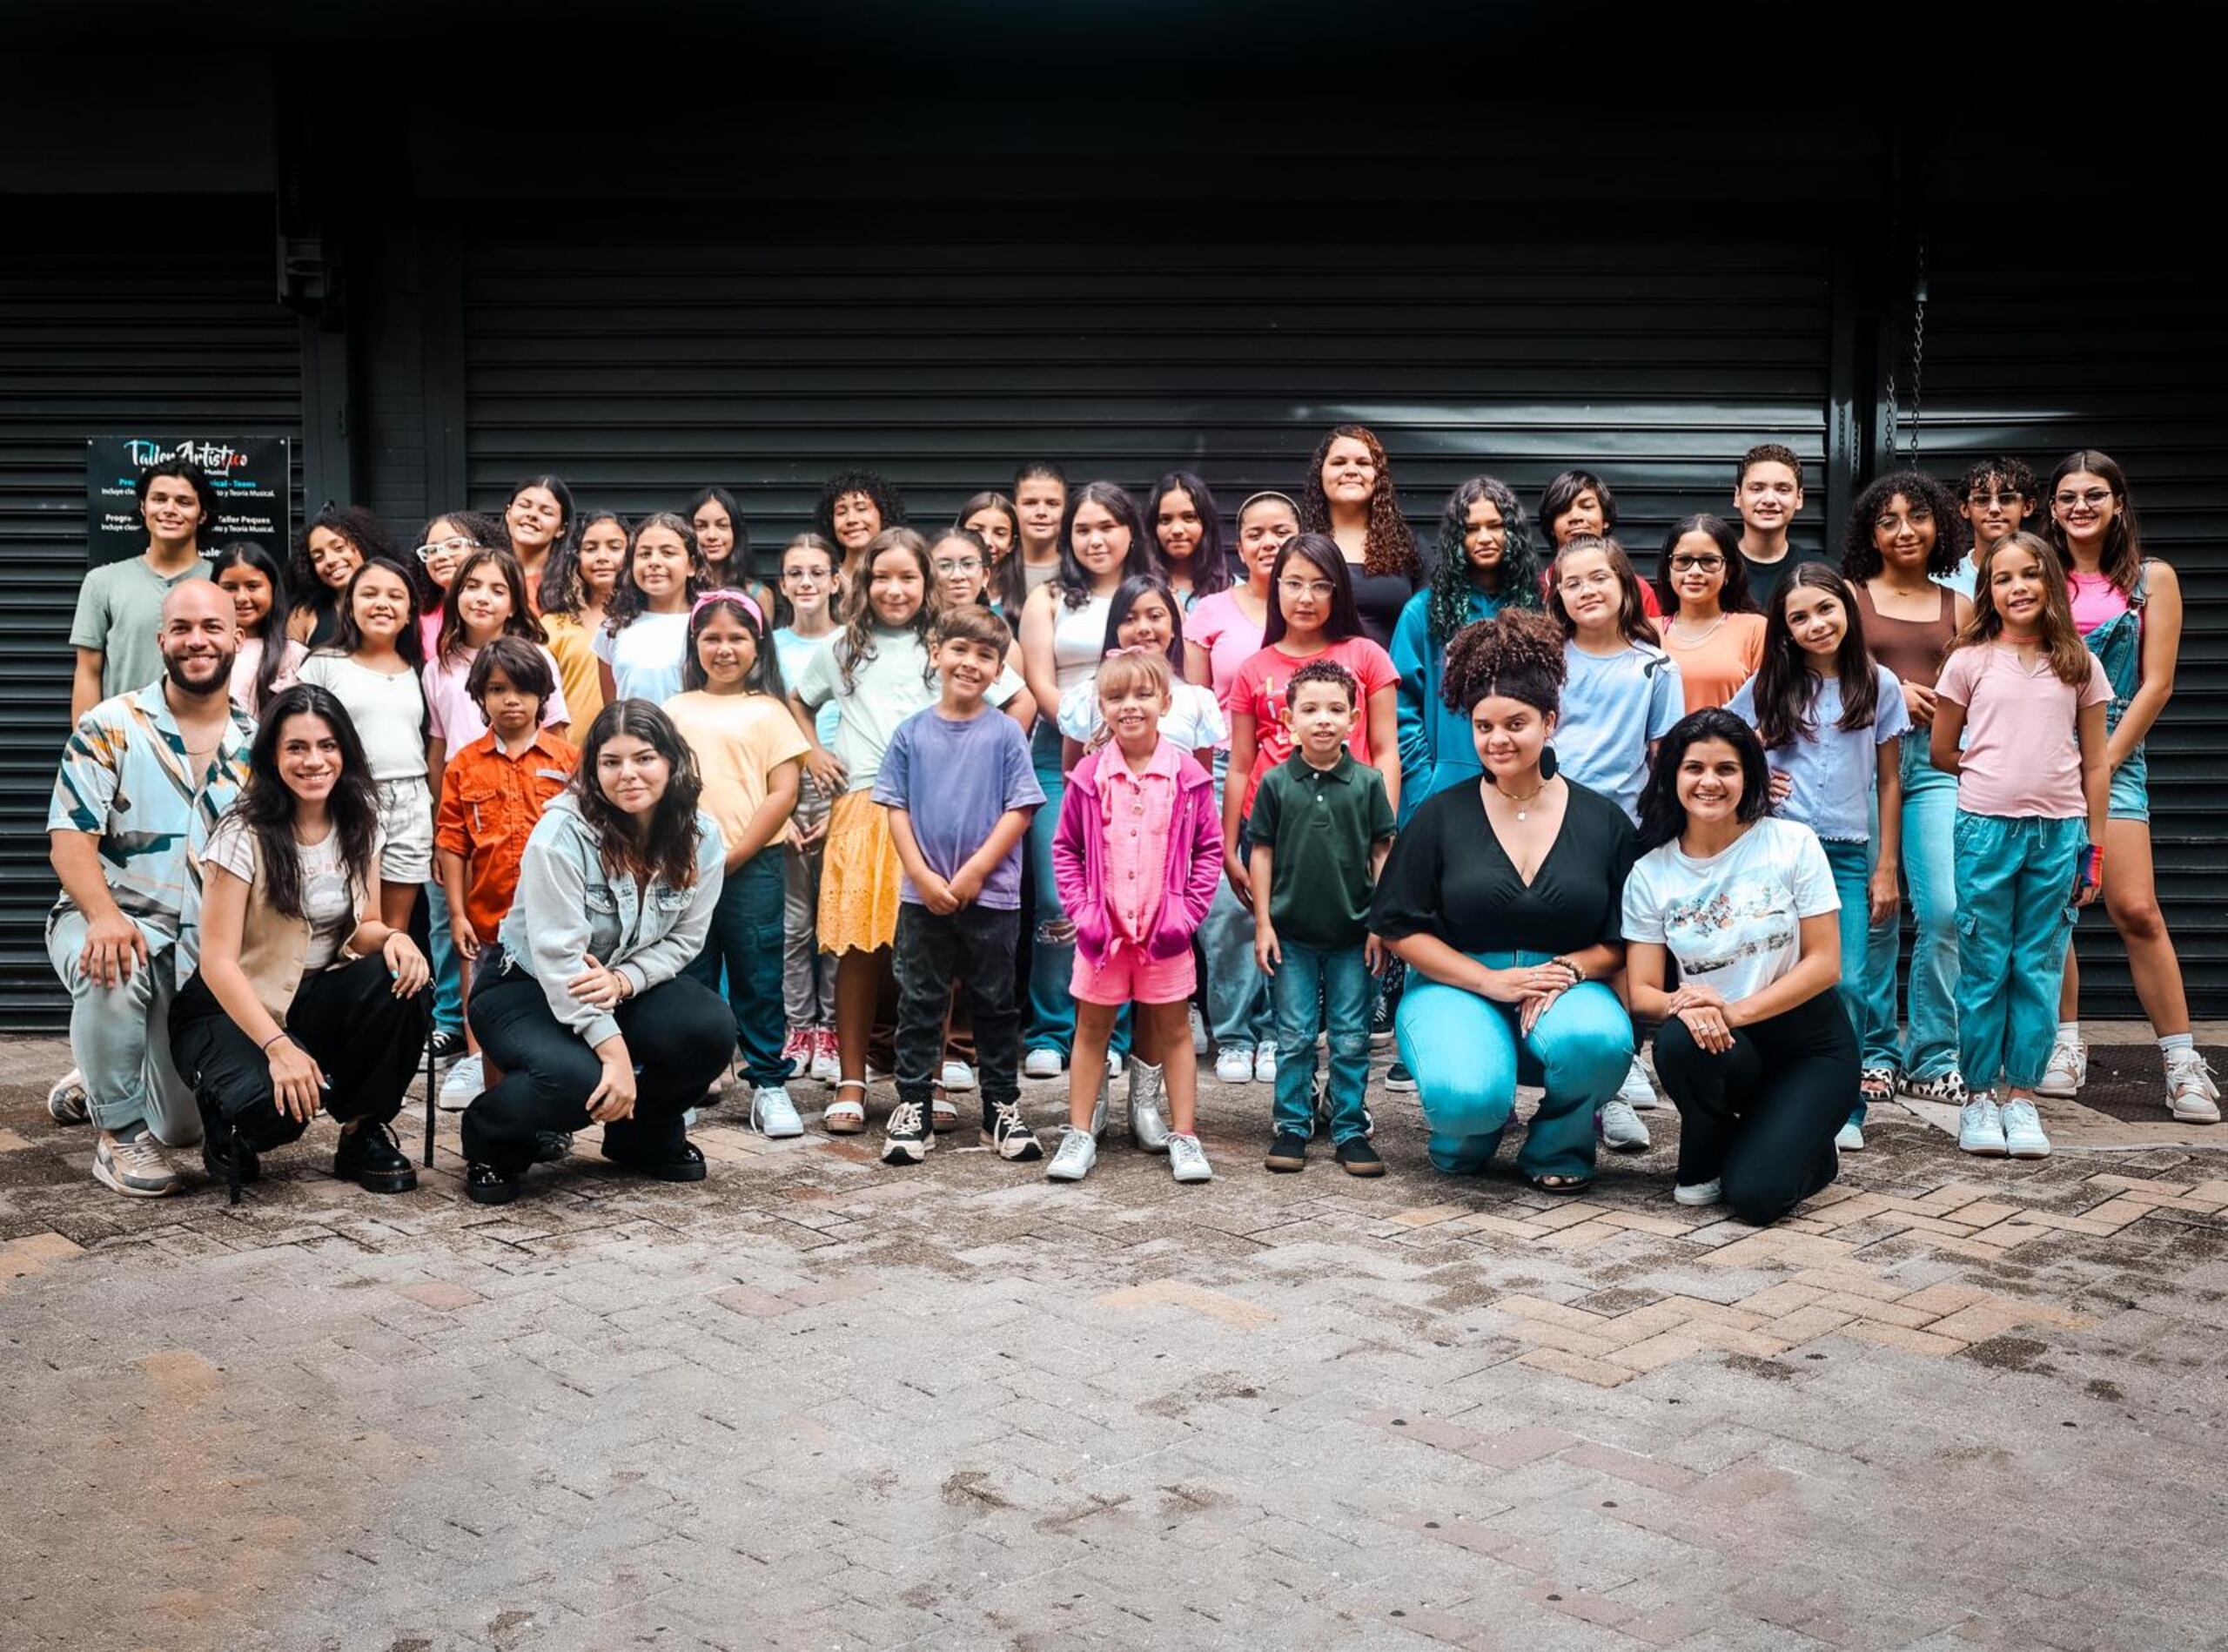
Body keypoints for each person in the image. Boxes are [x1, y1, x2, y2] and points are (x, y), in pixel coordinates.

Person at [1372, 611, 1639, 1192]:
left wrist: (1568, 969)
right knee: (1469, 1099)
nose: (1497, 740)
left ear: (1550, 720)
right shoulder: (1441, 815)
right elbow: (1397, 924)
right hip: (1455, 984)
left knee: (1597, 1040)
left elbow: (1623, 938)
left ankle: (1559, 1141)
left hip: (1562, 985)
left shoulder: (1603, 821)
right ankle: (1468, 1134)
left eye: (1515, 723)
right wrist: (1490, 982)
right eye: (1483, 725)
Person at [789, 527, 1031, 1132]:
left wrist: (985, 764)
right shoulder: (842, 647)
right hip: (862, 805)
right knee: (859, 948)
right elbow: (797, 702)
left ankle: (926, 1074)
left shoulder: (944, 644)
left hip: (934, 812)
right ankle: (851, 1077)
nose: (894, 589)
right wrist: (812, 751)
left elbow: (1019, 703)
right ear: (862, 583)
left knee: (931, 950)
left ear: (927, 584)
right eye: (881, 577)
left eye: (908, 577)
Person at [460, 701, 732, 1205]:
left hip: (617, 982)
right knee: (574, 1078)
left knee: (709, 1028)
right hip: (526, 986)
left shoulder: (702, 837)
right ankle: (493, 1140)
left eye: (644, 758)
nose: (628, 774)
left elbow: (685, 941)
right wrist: (615, 1054)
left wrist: (623, 981)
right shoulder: (561, 835)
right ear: (593, 768)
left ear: (672, 761)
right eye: (611, 762)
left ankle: (641, 1138)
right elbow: (560, 960)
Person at [170, 684, 431, 1199]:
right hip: (228, 1009)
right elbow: (218, 962)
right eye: (297, 747)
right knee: (276, 1115)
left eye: (327, 746)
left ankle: (362, 1131)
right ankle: (228, 1120)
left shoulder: (359, 821)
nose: (315, 761)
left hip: (312, 994)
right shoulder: (241, 834)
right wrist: (278, 1047)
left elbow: (365, 924)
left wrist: (396, 939)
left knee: (401, 982)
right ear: (273, 755)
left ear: (345, 751)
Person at [46, 581, 252, 1197]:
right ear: (161, 639)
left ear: (236, 638)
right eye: (183, 628)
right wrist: (104, 916)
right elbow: (70, 839)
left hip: (197, 953)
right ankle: (118, 1135)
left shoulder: (261, 745)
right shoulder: (111, 725)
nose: (198, 640)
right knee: (112, 961)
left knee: (184, 1129)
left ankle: (100, 1067)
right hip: (112, 918)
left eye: (213, 627)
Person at [1622, 709, 1855, 1224]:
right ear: (1673, 777)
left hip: (1809, 1047)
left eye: (1726, 769)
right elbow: (1640, 991)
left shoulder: (1791, 843)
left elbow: (1825, 964)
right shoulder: (1650, 873)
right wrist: (1684, 1003)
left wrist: (1728, 1012)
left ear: (1749, 774)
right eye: (1694, 768)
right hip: (1723, 1046)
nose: (1710, 782)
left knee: (1756, 1198)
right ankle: (1716, 1140)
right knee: (1679, 1040)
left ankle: (1808, 1146)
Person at [2041, 453, 2216, 1121]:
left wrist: (2105, 762)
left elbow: (2158, 684)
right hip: (2041, 750)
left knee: (2135, 908)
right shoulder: (2038, 574)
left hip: (2115, 751)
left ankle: (2180, 1061)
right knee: (2053, 908)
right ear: (2051, 509)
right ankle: (2065, 1045)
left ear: (2118, 503)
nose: (2079, 506)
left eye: (2093, 495)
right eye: (2066, 497)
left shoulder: (2152, 580)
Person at [1930, 532, 2110, 1160]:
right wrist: (1992, 777)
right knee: (1984, 965)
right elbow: (1942, 750)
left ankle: (2023, 1097)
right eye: (2003, 578)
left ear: (2052, 582)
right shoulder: (1969, 660)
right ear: (1988, 591)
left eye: (2031, 574)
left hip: (2060, 833)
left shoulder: (2079, 663)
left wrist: (2095, 846)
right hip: (1985, 830)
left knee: (2037, 966)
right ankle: (1979, 1097)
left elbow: (2095, 764)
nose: (2018, 588)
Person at [1727, 564, 1908, 1149]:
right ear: (1783, 628)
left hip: (1848, 856)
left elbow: (1888, 782)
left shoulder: (1878, 684)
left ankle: (1844, 1108)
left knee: (1847, 982)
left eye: (1825, 609)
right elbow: (1712, 743)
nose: (1815, 624)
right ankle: (1776, 1094)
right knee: (1773, 977)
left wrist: (1886, 867)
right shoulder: (1768, 686)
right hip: (1774, 852)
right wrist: (1757, 775)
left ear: (1848, 609)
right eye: (1799, 616)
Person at [873, 605, 1046, 1164]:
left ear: (1000, 670)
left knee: (995, 1003)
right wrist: (923, 876)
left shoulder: (1005, 734)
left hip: (991, 897)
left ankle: (1000, 1108)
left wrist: (974, 872)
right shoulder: (910, 734)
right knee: (921, 1001)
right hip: (923, 898)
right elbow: (895, 809)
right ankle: (914, 1107)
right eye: (960, 650)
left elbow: (1019, 810)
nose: (970, 663)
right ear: (936, 653)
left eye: (985, 656)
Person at [1045, 648, 1221, 1185]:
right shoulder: (1088, 776)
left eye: (1143, 695)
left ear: (1165, 702)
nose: (1130, 706)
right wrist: (1084, 913)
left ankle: (1184, 1135)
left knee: (1173, 1032)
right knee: (1092, 1029)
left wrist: (1185, 916)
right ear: (1101, 705)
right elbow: (1066, 851)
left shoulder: (1188, 777)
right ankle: (1079, 1132)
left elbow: (1209, 851)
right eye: (1116, 697)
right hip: (1104, 940)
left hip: (1164, 938)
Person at [1842, 471, 1975, 1111]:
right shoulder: (1848, 596)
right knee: (1875, 913)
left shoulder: (1962, 605)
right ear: (1871, 531)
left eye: (1917, 516)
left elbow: (1982, 685)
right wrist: (1892, 685)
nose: (1904, 530)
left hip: (1938, 767)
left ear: (1940, 525)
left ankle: (1934, 1055)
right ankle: (1874, 1053)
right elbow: (1825, 669)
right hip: (1863, 763)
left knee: (1946, 911)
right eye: (1888, 519)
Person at [1544, 534, 1683, 1139]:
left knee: (1624, 949)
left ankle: (1621, 1066)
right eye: (1571, 583)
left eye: (1598, 577)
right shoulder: (1549, 661)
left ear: (1625, 584)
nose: (1586, 591)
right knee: (1571, 948)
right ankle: (1594, 1089)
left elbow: (1664, 757)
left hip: (1623, 830)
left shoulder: (1655, 665)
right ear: (1558, 597)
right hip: (1551, 826)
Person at [1016, 482, 1157, 1078]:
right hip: (1058, 755)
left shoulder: (1150, 594)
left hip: (1138, 757)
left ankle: (1115, 1035)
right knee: (1057, 895)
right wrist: (1086, 723)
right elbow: (1040, 681)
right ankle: (1051, 1030)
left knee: (1121, 894)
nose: (1095, 539)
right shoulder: (1048, 598)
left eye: (1108, 526)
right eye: (1083, 529)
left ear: (1130, 532)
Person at [665, 591, 808, 1136]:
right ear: (695, 644)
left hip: (754, 866)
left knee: (758, 973)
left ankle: (769, 1082)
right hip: (682, 869)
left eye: (737, 638)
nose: (724, 649)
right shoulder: (674, 711)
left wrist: (735, 854)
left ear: (758, 646)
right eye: (712, 638)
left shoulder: (769, 711)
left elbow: (782, 793)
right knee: (688, 976)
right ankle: (686, 1083)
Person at [1251, 661, 1395, 1175]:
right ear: (1289, 720)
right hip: (1291, 936)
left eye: (1336, 709)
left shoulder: (1368, 782)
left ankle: (1350, 1126)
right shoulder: (1274, 784)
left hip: (1354, 936)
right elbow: (1261, 853)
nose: (1323, 720)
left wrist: (1381, 924)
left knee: (1352, 1036)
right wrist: (1264, 923)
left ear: (1354, 719)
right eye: (1309, 709)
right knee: (1292, 1034)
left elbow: (1382, 852)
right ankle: (1292, 1123)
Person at [432, 637, 580, 1111]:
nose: (510, 700)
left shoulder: (567, 761)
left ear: (543, 695)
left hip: (556, 919)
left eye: (521, 689)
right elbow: (453, 843)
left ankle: (553, 1111)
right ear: (480, 698)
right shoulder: (464, 764)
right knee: (494, 1014)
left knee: (556, 1014)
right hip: (490, 918)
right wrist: (457, 914)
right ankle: (500, 1104)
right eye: (496, 689)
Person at [1186, 490, 1297, 1085]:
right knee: (1227, 909)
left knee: (1287, 905)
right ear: (1238, 543)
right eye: (1255, 532)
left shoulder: (1312, 610)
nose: (1267, 542)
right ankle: (1233, 1033)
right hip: (1225, 767)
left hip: (1298, 775)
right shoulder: (1209, 612)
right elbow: (1201, 710)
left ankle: (1280, 1031)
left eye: (1280, 530)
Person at [1393, 476, 1542, 824]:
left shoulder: (1537, 610)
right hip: (1443, 791)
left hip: (1524, 788)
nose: (1485, 538)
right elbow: (1401, 708)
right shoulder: (1423, 612)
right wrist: (1422, 785)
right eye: (1472, 528)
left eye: (1496, 526)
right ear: (1456, 539)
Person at [296, 560, 435, 930]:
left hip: (412, 799)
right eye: (369, 594)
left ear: (409, 614)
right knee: (350, 919)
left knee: (395, 928)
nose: (382, 603)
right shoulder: (324, 664)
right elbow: (293, 731)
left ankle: (390, 989)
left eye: (395, 596)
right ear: (350, 605)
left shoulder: (419, 669)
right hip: (351, 794)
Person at [771, 534, 845, 1082]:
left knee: (837, 919)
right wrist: (781, 807)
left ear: (836, 580)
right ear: (782, 584)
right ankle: (800, 1026)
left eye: (817, 572)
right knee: (795, 923)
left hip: (843, 786)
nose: (806, 583)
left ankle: (833, 1030)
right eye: (795, 573)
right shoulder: (771, 646)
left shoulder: (852, 641)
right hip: (786, 787)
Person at [71, 456, 215, 722]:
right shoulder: (102, 582)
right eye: (159, 499)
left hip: (204, 740)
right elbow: (88, 673)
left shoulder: (221, 582)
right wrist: (87, 750)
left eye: (184, 502)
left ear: (202, 514)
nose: (170, 509)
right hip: (122, 740)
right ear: (143, 507)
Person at [1057, 574, 1225, 768]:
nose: (1143, 628)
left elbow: (1201, 785)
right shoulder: (1088, 697)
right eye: (1129, 619)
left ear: (1173, 627)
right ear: (1115, 629)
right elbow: (1074, 784)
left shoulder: (1196, 701)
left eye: (1155, 617)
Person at [1299, 424, 1422, 648]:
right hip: (1315, 681)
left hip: (1392, 680)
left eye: (1363, 463)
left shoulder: (1408, 545)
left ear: (1378, 476)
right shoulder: (1299, 544)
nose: (1351, 471)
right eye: (1338, 462)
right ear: (1320, 473)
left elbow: (1428, 625)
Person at [1649, 514, 1764, 713]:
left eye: (1709, 561)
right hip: (1664, 745)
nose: (1694, 571)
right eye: (1683, 560)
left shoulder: (1755, 629)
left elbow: (1770, 709)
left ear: (1728, 571)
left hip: (1734, 743)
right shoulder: (1647, 631)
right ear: (1668, 569)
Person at [595, 513, 712, 706]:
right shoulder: (613, 628)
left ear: (691, 565)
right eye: (644, 554)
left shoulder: (707, 624)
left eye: (668, 553)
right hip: (631, 734)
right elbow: (612, 706)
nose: (654, 562)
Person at [539, 508, 627, 744]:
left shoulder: (640, 622)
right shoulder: (553, 625)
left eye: (614, 547)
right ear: (575, 558)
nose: (602, 556)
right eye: (590, 548)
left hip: (631, 753)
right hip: (567, 756)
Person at [1540, 470, 1661, 617]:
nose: (1575, 517)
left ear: (1606, 520)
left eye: (1586, 507)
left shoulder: (1638, 589)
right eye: (1563, 510)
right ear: (1551, 526)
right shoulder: (1533, 591)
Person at [211, 541, 306, 716]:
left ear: (273, 589)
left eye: (253, 586)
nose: (241, 597)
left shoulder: (293, 655)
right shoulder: (202, 649)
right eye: (230, 588)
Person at [286, 506, 397, 649]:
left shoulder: (395, 604)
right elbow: (288, 669)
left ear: (363, 545)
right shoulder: (305, 615)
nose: (330, 560)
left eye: (339, 548)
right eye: (318, 557)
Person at [1946, 455, 2038, 600]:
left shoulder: (2045, 573)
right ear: (1964, 509)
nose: (1994, 508)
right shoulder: (1944, 582)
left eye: (2006, 499)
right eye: (1982, 500)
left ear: (2027, 507)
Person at [1733, 444, 1807, 611]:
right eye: (1757, 489)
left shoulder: (1825, 571)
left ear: (1799, 498)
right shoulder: (1713, 571)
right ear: (1738, 496)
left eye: (1783, 489)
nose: (1769, 499)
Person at [688, 484, 776, 620]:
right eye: (701, 526)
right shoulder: (679, 592)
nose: (712, 535)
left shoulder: (757, 594)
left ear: (735, 531)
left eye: (722, 526)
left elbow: (765, 641)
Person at [1145, 470, 1231, 607]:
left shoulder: (1234, 592)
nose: (1177, 530)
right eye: (1165, 520)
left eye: (1189, 518)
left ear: (1206, 522)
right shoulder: (1136, 588)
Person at [815, 469, 908, 577]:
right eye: (841, 512)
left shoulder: (899, 578)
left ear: (884, 515)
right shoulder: (825, 580)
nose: (851, 519)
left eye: (861, 508)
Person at [503, 475, 574, 611]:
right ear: (508, 513)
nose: (532, 515)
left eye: (546, 512)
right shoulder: (483, 571)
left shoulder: (572, 584)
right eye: (524, 505)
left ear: (561, 529)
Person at [958, 490, 1027, 614]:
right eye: (977, 531)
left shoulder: (1027, 603)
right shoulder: (937, 594)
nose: (987, 541)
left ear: (1011, 543)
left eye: (1000, 533)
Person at [1012, 461, 1068, 596]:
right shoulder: (996, 570)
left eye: (1052, 504)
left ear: (1065, 510)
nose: (1041, 512)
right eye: (1030, 503)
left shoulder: (1081, 570)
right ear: (1014, 509)